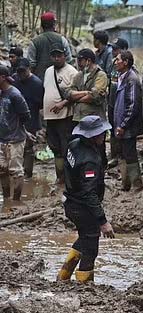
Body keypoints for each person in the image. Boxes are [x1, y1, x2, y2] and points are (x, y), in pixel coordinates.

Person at [57, 116, 115, 283]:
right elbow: (89, 194)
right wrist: (103, 221)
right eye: (102, 133)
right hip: (82, 207)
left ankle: (63, 276)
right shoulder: (90, 160)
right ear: (94, 135)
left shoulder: (73, 145)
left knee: (85, 237)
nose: (104, 135)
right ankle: (85, 284)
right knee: (91, 248)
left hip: (70, 201)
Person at [43, 45, 78, 185]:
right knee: (54, 146)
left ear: (65, 56)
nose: (56, 59)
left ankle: (69, 177)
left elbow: (77, 94)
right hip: (49, 116)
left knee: (66, 146)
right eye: (54, 56)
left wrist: (63, 103)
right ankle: (60, 176)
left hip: (65, 116)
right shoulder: (48, 71)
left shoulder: (72, 72)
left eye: (59, 56)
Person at [113, 51, 143, 191]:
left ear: (125, 62)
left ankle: (137, 185)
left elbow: (132, 105)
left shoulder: (132, 79)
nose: (115, 62)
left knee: (130, 154)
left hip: (128, 126)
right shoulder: (121, 77)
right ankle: (126, 184)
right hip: (121, 124)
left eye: (118, 59)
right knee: (123, 153)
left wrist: (123, 125)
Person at [0, 65, 30, 201]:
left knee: (16, 171)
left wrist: (21, 130)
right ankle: (6, 199)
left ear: (3, 78)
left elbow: (25, 115)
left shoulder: (15, 95)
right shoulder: (1, 94)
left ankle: (16, 201)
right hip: (2, 138)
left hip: (15, 138)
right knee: (2, 170)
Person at [12, 58, 44, 180]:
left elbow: (40, 105)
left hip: (31, 118)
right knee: (15, 146)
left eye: (23, 72)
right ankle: (16, 171)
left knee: (28, 147)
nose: (21, 75)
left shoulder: (37, 83)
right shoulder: (15, 79)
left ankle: (27, 173)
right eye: (19, 72)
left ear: (29, 69)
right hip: (15, 118)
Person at [26, 12, 72, 80]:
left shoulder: (34, 42)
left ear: (41, 25)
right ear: (54, 24)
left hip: (40, 80)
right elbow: (68, 60)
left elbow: (31, 64)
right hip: (59, 80)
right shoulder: (62, 39)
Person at [67, 48, 108, 123]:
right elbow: (69, 93)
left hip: (94, 119)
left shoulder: (100, 75)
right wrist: (86, 92)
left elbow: (94, 96)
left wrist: (76, 99)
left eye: (80, 61)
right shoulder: (79, 75)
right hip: (78, 118)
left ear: (88, 61)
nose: (78, 63)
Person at [107, 38, 129, 168]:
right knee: (112, 127)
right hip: (112, 101)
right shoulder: (112, 63)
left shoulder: (129, 66)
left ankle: (122, 157)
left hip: (122, 102)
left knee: (122, 128)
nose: (113, 51)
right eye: (113, 49)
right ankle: (114, 155)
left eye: (116, 49)